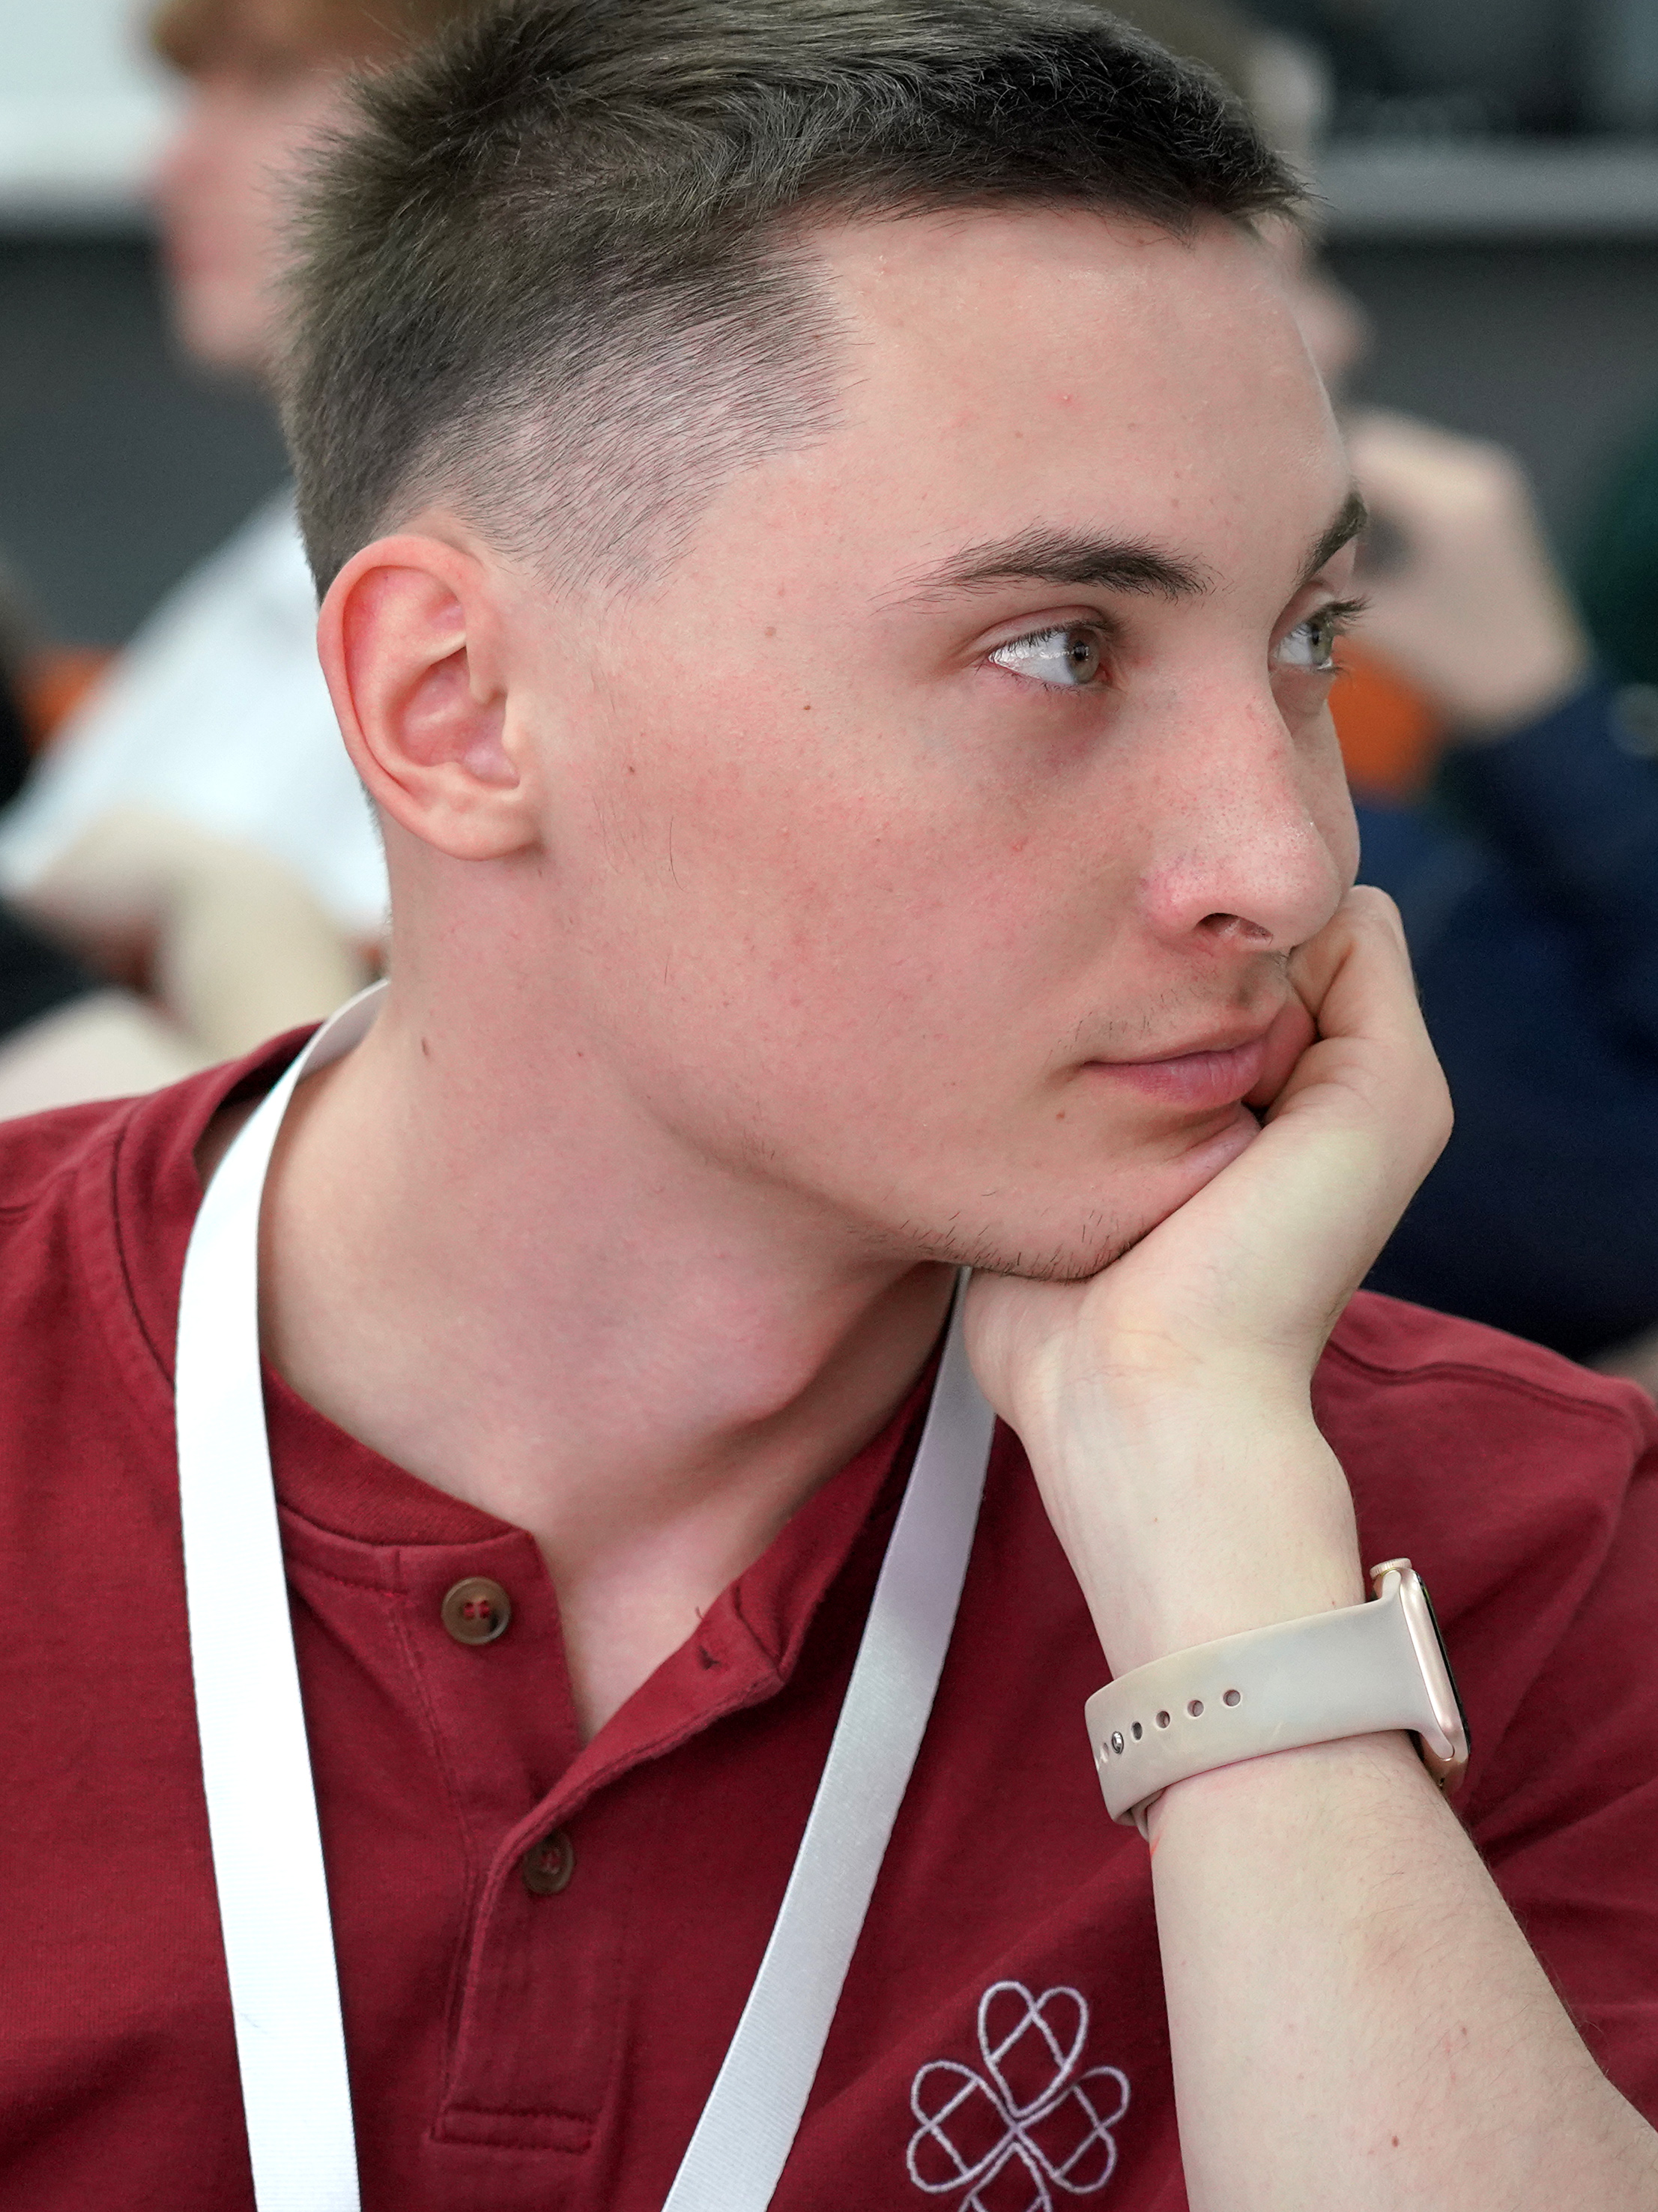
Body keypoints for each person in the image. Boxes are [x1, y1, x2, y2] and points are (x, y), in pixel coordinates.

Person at [3, 6, 1657, 2208]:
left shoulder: (1513, 1538)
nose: (1281, 860)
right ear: (458, 707)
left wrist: (1219, 1545)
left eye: (1304, 640)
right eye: (1057, 647)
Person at [0, 0, 488, 946]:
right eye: (196, 96)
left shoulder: (552, 588)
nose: (169, 168)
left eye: (267, 83)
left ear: (505, 124)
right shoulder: (276, 562)